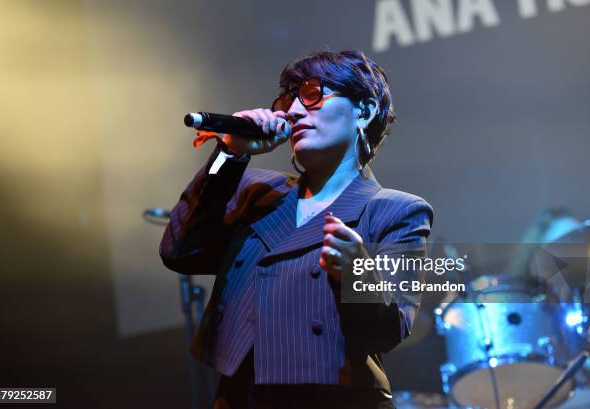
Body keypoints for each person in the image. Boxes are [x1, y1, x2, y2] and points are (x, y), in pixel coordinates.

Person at [160, 50, 433, 409]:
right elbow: (180, 249)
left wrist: (355, 273)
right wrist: (229, 155)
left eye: (312, 95)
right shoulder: (255, 191)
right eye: (288, 101)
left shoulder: (397, 210)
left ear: (363, 112)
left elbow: (389, 330)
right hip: (240, 398)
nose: (292, 111)